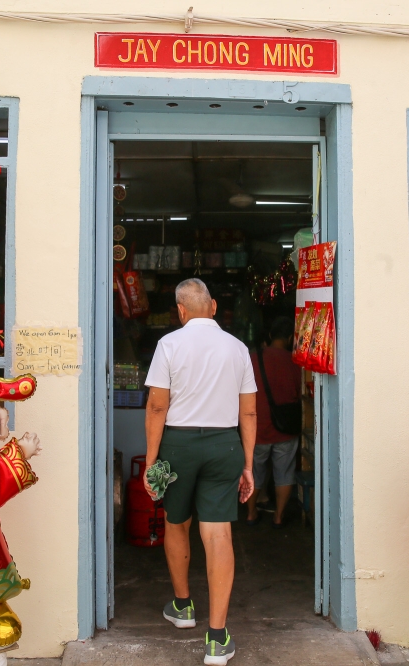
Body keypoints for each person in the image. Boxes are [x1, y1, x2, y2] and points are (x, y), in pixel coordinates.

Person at [143, 278, 257, 666]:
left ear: (180, 311)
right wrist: (247, 463)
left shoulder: (169, 345)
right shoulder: (238, 348)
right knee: (218, 531)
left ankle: (183, 607)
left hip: (178, 446)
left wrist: (152, 459)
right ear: (211, 307)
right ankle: (218, 638)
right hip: (224, 445)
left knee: (178, 523)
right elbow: (249, 412)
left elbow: (157, 406)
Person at [246, 316, 302, 527]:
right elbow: (299, 393)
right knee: (284, 474)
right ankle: (278, 517)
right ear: (290, 338)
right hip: (285, 428)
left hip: (257, 429)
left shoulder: (252, 359)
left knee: (254, 472)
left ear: (269, 336)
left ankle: (251, 514)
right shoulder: (296, 362)